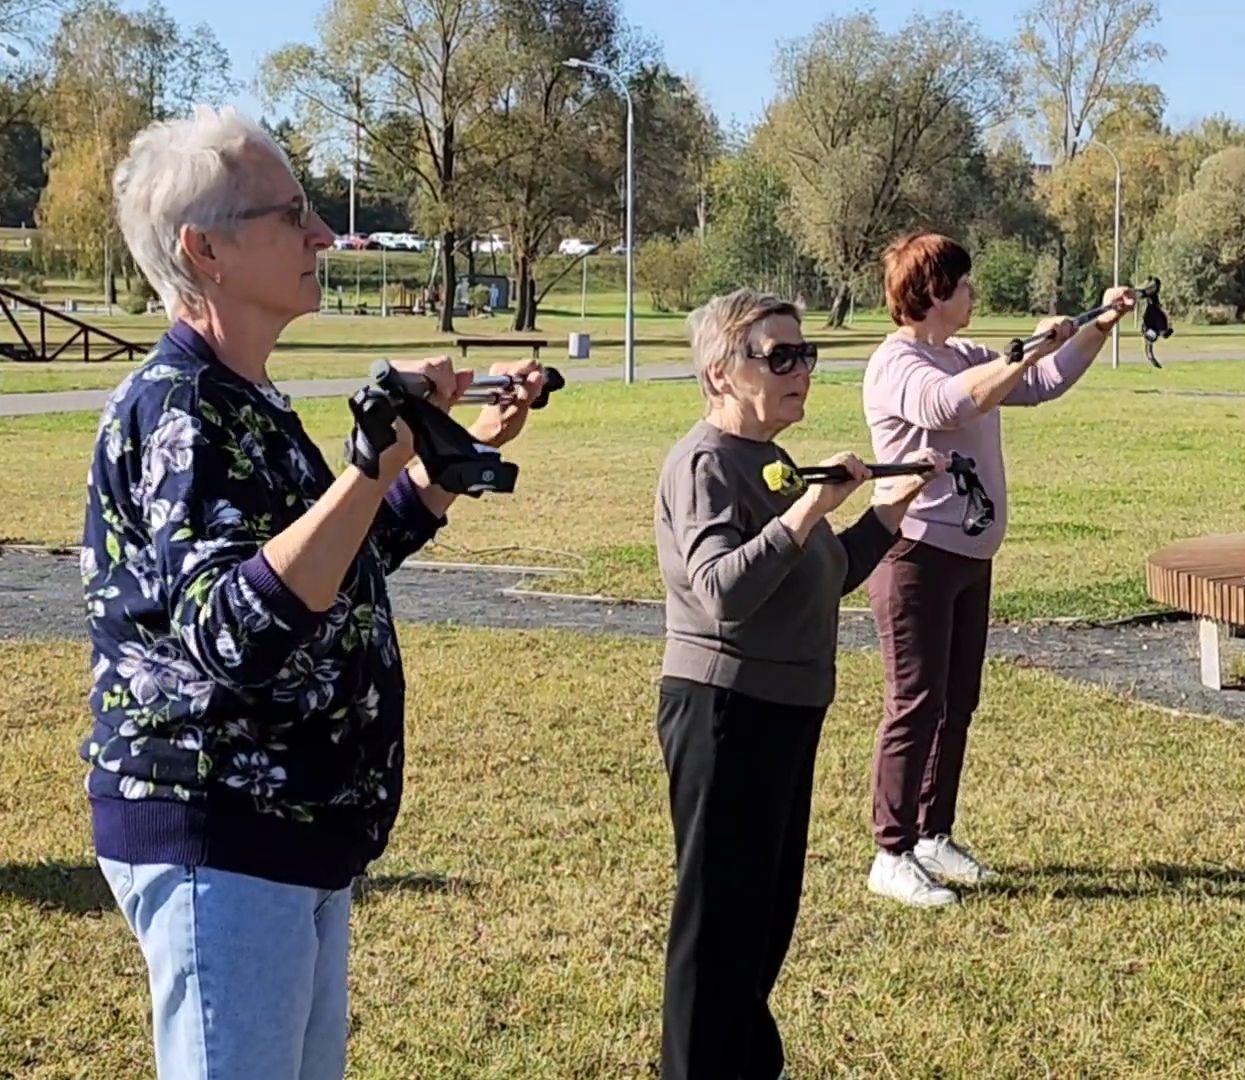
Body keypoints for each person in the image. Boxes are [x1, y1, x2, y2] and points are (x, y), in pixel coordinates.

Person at [80, 105, 547, 1079]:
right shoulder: (181, 414)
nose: (323, 235)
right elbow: (230, 633)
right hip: (221, 832)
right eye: (290, 214)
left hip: (291, 834)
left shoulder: (244, 402)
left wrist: (433, 470)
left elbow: (327, 568)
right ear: (203, 251)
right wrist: (374, 459)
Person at [653, 287, 946, 1080]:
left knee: (762, 917)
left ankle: (745, 1063)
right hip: (724, 709)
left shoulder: (772, 460)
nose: (800, 370)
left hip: (785, 708)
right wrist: (806, 509)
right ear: (720, 373)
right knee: (717, 928)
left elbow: (822, 575)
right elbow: (721, 590)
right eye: (776, 356)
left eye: (804, 354)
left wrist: (887, 512)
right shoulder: (707, 463)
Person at [860, 232, 1134, 907]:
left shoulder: (963, 353)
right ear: (933, 294)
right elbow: (949, 404)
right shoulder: (898, 363)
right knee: (915, 705)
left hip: (968, 558)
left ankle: (933, 834)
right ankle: (890, 852)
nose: (973, 293)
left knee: (957, 705)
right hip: (914, 557)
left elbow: (1042, 383)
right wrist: (1027, 347)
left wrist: (1097, 325)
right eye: (964, 283)